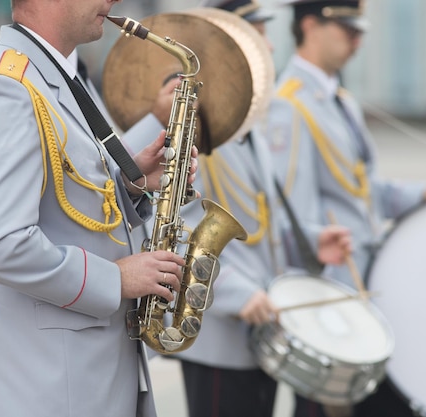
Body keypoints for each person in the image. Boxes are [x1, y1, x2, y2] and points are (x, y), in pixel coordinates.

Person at [0, 0, 200, 416]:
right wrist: (115, 278)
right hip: (43, 386)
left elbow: (66, 202)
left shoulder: (56, 78)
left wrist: (131, 182)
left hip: (77, 377)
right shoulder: (6, 85)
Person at [126, 1, 352, 416]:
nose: (267, 44)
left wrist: (310, 238)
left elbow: (261, 215)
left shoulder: (245, 124)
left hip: (258, 326)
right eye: (256, 34)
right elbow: (178, 223)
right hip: (217, 332)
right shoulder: (193, 123)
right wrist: (238, 292)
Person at [265, 1, 426, 416]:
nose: (357, 39)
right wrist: (316, 320)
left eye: (360, 29)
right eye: (346, 28)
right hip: (333, 298)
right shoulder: (289, 105)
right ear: (310, 26)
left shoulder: (341, 99)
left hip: (366, 288)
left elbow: (365, 193)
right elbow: (294, 221)